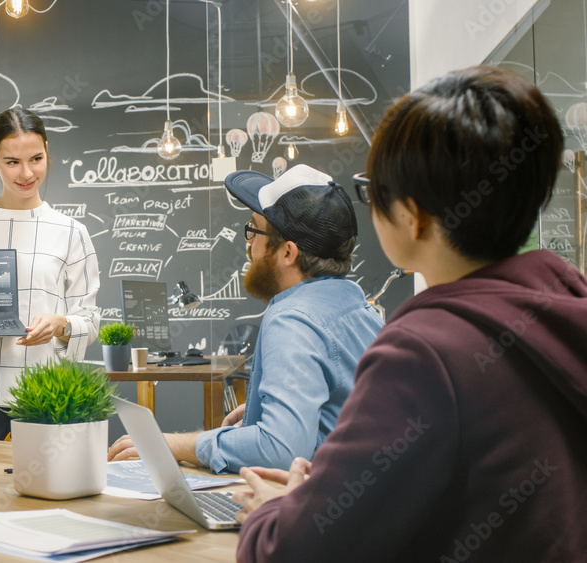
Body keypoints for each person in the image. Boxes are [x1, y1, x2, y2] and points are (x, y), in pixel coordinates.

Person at [233, 66, 587, 561]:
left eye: (372, 190)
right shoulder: (563, 303)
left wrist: (274, 511)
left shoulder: (425, 351)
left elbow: (295, 551)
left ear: (412, 215)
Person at [108, 164, 384, 474]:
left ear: (288, 253)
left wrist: (173, 444)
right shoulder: (356, 305)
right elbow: (347, 418)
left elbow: (281, 450)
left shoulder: (292, 320)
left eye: (254, 230)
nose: (248, 243)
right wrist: (271, 414)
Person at [0, 107, 101, 440]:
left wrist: (61, 324)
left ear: (47, 153)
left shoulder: (71, 231)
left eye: (36, 159)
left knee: (49, 489)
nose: (26, 173)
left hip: (46, 391)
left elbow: (91, 321)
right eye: (12, 162)